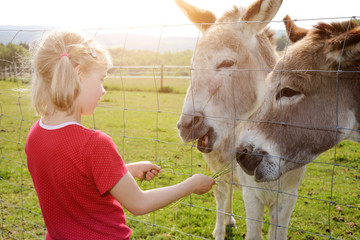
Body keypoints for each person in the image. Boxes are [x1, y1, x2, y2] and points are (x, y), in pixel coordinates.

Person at [25, 30, 215, 240]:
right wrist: (192, 184)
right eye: (101, 79)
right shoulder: (94, 144)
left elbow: (74, 178)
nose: (103, 90)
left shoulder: (35, 135)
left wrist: (125, 170)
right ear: (78, 75)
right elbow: (139, 203)